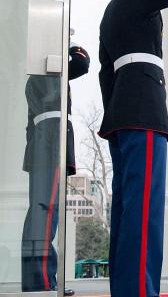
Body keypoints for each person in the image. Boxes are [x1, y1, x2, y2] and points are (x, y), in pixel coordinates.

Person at [99, 0, 168, 296]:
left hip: (123, 113)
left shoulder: (111, 10)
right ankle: (139, 291)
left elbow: (106, 75)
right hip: (144, 111)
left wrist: (114, 114)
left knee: (126, 210)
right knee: (144, 211)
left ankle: (125, 289)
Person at [22, 39, 89, 296]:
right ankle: (41, 280)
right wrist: (70, 45)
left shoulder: (42, 78)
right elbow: (82, 63)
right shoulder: (45, 75)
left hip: (48, 146)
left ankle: (40, 279)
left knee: (45, 214)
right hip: (49, 145)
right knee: (45, 213)